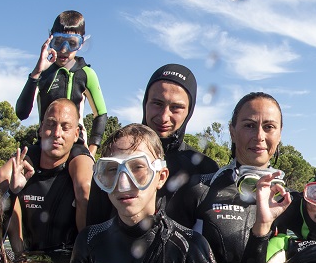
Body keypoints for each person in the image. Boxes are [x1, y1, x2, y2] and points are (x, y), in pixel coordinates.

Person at [70, 124, 216, 263]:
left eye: (138, 167)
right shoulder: (88, 240)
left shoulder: (190, 247)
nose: (123, 184)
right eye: (112, 170)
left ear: (161, 177)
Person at [87, 63, 219, 227]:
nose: (164, 116)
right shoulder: (115, 159)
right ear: (145, 103)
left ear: (189, 111)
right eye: (157, 103)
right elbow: (93, 228)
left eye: (176, 108)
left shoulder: (205, 169)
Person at [172, 92, 286, 263]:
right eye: (249, 125)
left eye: (269, 127)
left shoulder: (290, 200)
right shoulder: (199, 188)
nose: (259, 136)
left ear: (279, 135)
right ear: (232, 131)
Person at [4, 97, 93, 256]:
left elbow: (86, 187)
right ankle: (19, 252)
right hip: (30, 256)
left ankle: (86, 254)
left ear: (76, 134)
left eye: (65, 127)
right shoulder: (29, 157)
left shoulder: (78, 158)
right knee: (6, 179)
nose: (57, 134)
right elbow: (3, 176)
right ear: (41, 129)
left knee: (85, 187)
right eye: (51, 125)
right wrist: (20, 258)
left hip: (69, 257)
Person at [14, 10, 108, 155]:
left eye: (72, 43)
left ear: (81, 43)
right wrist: (36, 73)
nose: (64, 49)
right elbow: (21, 113)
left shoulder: (87, 74)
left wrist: (92, 150)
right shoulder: (43, 73)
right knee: (4, 174)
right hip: (44, 144)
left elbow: (101, 114)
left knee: (83, 177)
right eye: (58, 42)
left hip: (76, 146)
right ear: (49, 40)